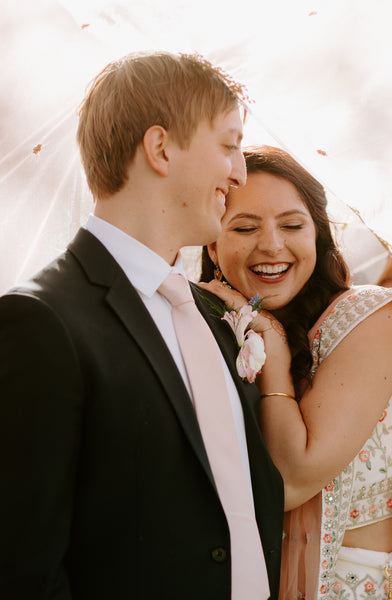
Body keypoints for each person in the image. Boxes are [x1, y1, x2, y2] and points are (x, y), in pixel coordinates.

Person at [0, 56, 284, 599]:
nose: (240, 172)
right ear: (160, 148)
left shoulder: (215, 319)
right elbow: (21, 570)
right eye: (228, 145)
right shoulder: (40, 321)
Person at [200, 145, 392, 599]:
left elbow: (289, 480)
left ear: (318, 235)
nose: (271, 245)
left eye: (292, 225)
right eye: (245, 227)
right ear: (212, 242)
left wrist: (271, 350)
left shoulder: (368, 317)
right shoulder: (206, 337)